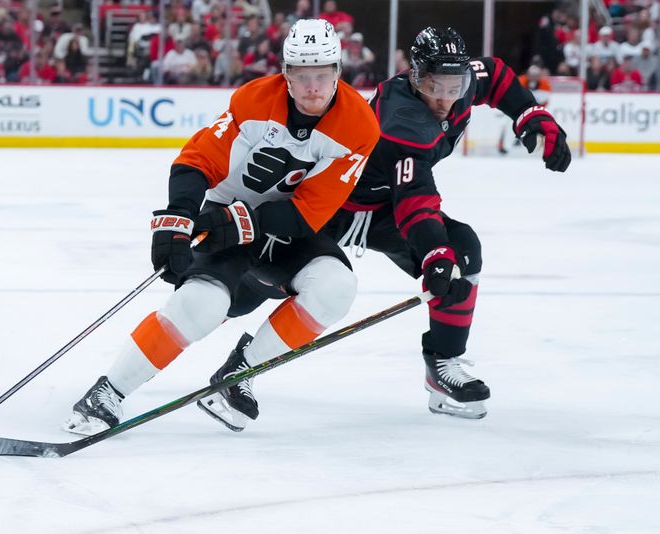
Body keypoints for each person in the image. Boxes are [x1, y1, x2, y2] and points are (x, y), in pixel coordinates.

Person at [63, 19, 379, 435]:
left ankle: (238, 375)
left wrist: (237, 221)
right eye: (302, 77)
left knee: (336, 287)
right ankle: (108, 393)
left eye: (323, 76)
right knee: (202, 304)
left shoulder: (359, 126)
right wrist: (175, 222)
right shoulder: (253, 100)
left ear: (339, 72)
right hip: (228, 211)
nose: (313, 88)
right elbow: (197, 161)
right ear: (285, 74)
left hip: (287, 232)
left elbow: (307, 213)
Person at [320, 27, 572, 420]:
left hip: (386, 209)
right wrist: (435, 251)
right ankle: (216, 333)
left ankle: (442, 366)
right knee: (265, 281)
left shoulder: (463, 82)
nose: (444, 98)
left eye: (455, 86)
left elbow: (499, 76)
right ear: (415, 76)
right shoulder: (401, 116)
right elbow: (416, 200)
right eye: (435, 85)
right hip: (334, 207)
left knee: (465, 249)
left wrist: (529, 114)